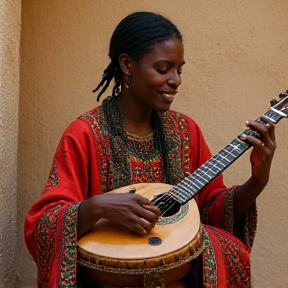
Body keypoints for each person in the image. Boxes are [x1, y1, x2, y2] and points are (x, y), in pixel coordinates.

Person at [24, 11, 276, 288]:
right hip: (109, 274)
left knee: (226, 249)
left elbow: (210, 213)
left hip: (176, 272)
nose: (176, 79)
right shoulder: (85, 133)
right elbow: (44, 226)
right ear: (127, 64)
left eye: (179, 69)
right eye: (163, 68)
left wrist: (258, 180)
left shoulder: (185, 131)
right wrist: (97, 207)